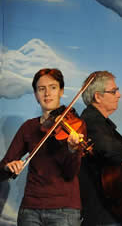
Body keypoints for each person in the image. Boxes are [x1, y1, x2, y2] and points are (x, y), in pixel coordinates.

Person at [0, 68, 83, 226]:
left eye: (53, 87)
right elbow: (3, 167)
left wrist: (73, 150)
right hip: (30, 210)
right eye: (41, 89)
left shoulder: (75, 126)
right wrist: (8, 167)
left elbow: (71, 173)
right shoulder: (29, 127)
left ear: (61, 91)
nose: (47, 94)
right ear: (36, 95)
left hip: (65, 211)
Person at [79, 71, 122, 226]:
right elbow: (107, 147)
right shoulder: (90, 121)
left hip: (113, 210)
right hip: (101, 212)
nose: (119, 95)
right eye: (114, 91)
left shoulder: (103, 124)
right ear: (98, 96)